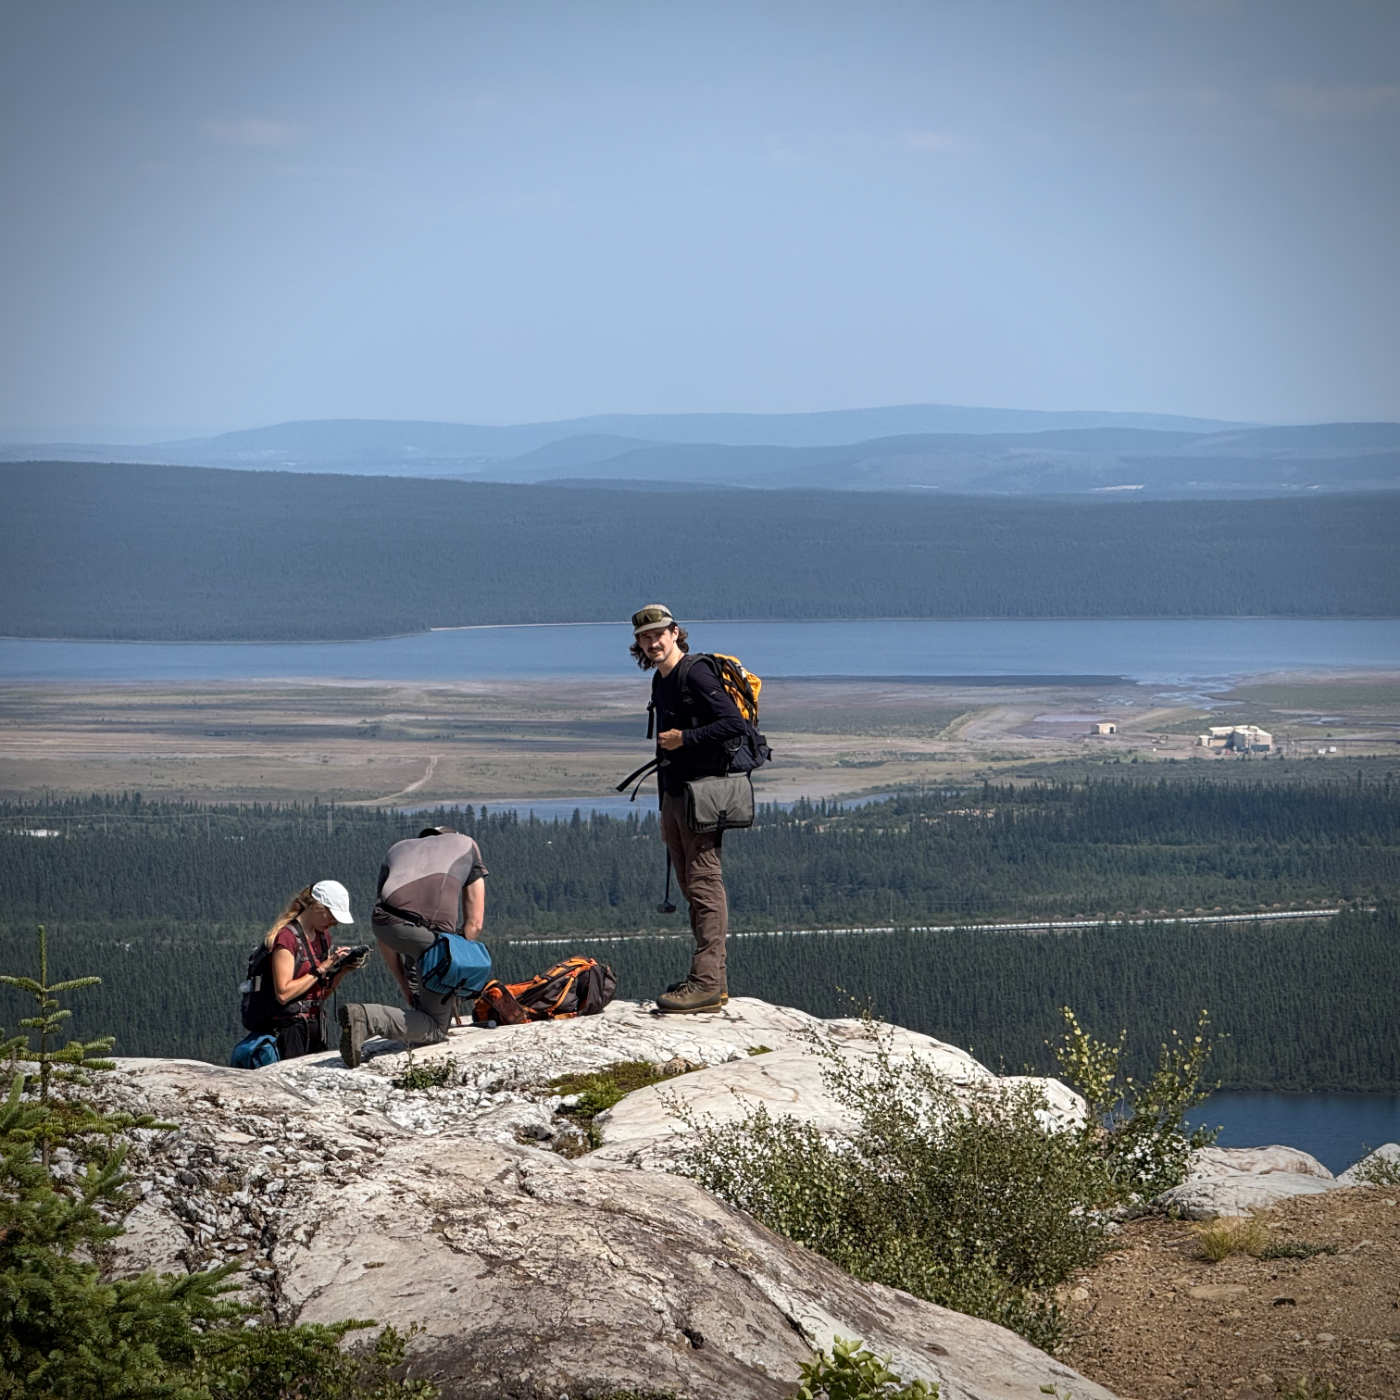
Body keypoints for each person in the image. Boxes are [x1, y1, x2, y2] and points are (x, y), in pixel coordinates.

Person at [630, 602, 748, 1013]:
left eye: (658, 634)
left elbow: (735, 724)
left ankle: (706, 983)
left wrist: (686, 739)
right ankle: (713, 980)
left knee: (704, 884)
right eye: (645, 638)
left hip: (702, 796)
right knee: (691, 885)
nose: (652, 643)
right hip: (677, 795)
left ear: (675, 632)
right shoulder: (661, 680)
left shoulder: (694, 672)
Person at [337, 825, 487, 1067]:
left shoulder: (397, 849)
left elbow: (387, 927)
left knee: (423, 968)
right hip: (430, 932)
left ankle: (414, 1011)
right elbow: (475, 923)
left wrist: (403, 983)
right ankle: (365, 1018)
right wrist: (452, 969)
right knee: (437, 1027)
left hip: (385, 924)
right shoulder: (467, 845)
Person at [261, 879, 363, 1060]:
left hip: (315, 1025)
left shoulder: (323, 937)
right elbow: (283, 994)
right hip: (290, 1029)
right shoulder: (287, 938)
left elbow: (320, 993)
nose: (334, 923)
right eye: (332, 917)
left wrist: (342, 971)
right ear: (318, 907)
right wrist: (322, 968)